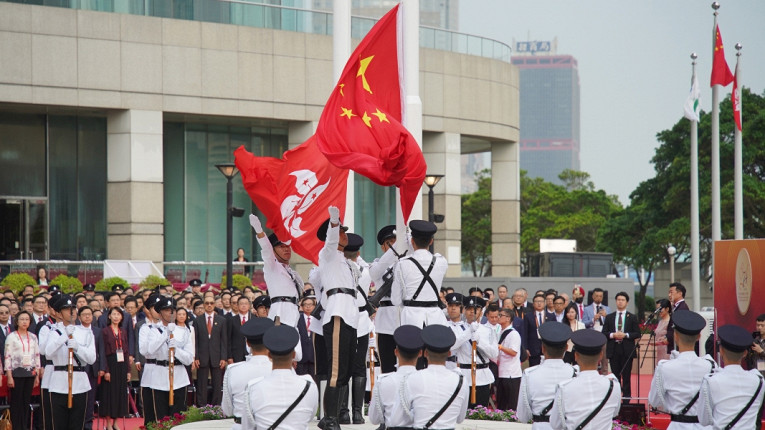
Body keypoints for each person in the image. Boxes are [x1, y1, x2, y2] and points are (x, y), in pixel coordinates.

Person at [315, 206, 359, 430]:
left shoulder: (346, 261)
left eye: (343, 230)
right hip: (337, 315)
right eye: (342, 231)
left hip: (350, 317)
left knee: (346, 371)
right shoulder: (328, 253)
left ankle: (330, 416)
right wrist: (333, 222)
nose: (345, 234)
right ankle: (330, 418)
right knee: (335, 370)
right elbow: (331, 241)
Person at [648, 310, 718, 428]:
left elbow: (654, 401)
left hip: (678, 425)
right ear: (699, 337)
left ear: (675, 336)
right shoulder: (710, 365)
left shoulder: (665, 367)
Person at [242, 325, 319, 430]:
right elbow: (309, 416)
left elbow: (247, 426)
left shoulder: (253, 387)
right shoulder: (309, 385)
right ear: (293, 355)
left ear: (269, 355)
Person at [550, 330, 621, 429]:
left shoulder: (565, 387)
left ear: (576, 356)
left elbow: (555, 424)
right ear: (601, 355)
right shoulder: (614, 386)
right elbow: (614, 413)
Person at [45, 294, 97, 430]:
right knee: (59, 424)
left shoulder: (86, 332)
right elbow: (48, 353)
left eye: (73, 308)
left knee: (77, 424)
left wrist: (77, 347)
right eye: (67, 309)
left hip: (80, 381)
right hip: (59, 382)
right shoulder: (54, 332)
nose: (71, 311)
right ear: (59, 313)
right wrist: (64, 336)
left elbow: (91, 358)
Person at [699, 324, 765, 430]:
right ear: (745, 353)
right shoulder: (758, 380)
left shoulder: (711, 381)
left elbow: (704, 420)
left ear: (721, 351)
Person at [405, 325, 469, 429]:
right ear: (449, 353)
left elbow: (405, 415)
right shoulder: (461, 380)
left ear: (425, 353)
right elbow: (460, 418)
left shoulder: (412, 378)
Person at [517, 322, 576, 429]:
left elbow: (523, 416)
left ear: (543, 348)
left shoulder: (530, 374)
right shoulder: (575, 373)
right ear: (566, 348)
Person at [391, 220, 448, 328]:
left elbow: (395, 300)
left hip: (411, 319)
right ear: (431, 241)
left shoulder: (402, 263)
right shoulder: (441, 261)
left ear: (412, 241)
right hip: (435, 318)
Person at [249, 215, 303, 327]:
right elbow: (266, 249)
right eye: (281, 247)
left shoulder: (290, 271)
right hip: (280, 315)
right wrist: (259, 232)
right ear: (273, 251)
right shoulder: (272, 266)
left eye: (288, 246)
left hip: (294, 314)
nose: (286, 249)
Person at [341, 232, 373, 425]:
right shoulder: (366, 269)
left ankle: (344, 412)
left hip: (345, 317)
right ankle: (358, 413)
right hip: (361, 320)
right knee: (359, 366)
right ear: (359, 251)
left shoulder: (340, 268)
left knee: (344, 365)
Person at [144, 297, 194, 419]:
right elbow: (149, 351)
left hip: (179, 376)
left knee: (178, 416)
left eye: (173, 310)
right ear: (160, 313)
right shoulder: (153, 330)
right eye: (166, 310)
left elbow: (188, 359)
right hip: (159, 376)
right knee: (161, 417)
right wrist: (165, 336)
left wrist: (176, 349)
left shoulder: (184, 331)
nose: (170, 313)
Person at [222, 318, 274, 430]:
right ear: (269, 341)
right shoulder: (277, 369)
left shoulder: (233, 370)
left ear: (248, 343)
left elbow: (227, 410)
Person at [369, 325, 422, 429]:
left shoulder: (383, 382)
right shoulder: (427, 381)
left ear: (396, 352)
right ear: (420, 353)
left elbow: (374, 419)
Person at [367, 224, 402, 375]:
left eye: (396, 242)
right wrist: (397, 249)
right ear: (383, 247)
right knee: (387, 367)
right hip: (386, 320)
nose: (394, 246)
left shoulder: (408, 264)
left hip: (404, 317)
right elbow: (376, 273)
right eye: (390, 243)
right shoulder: (377, 264)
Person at [457, 295, 497, 408]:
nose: (472, 312)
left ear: (481, 311)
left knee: (480, 412)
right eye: (469, 309)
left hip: (482, 375)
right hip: (464, 374)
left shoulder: (488, 330)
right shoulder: (459, 328)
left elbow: (494, 354)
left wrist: (480, 343)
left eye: (476, 309)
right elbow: (453, 346)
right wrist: (468, 333)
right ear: (464, 310)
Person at [5, 310, 41, 430]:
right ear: (17, 321)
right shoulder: (11, 336)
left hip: (30, 372)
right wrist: (9, 375)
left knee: (26, 402)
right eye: (22, 319)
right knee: (16, 402)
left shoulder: (33, 337)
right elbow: (7, 356)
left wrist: (36, 374)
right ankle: (15, 426)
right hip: (16, 373)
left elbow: (37, 356)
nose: (24, 322)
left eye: (27, 319)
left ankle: (25, 426)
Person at [602, 291, 640, 401]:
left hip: (627, 350)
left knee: (626, 375)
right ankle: (615, 397)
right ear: (615, 301)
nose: (620, 302)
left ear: (627, 302)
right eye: (618, 300)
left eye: (623, 300)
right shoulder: (609, 317)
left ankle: (627, 398)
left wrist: (625, 335)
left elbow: (637, 333)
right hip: (614, 349)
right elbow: (604, 333)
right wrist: (613, 335)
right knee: (615, 375)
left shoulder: (632, 317)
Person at [192, 293, 228, 406]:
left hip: (217, 356)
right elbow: (195, 341)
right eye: (206, 303)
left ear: (214, 305)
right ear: (203, 304)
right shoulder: (198, 320)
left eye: (211, 303)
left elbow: (224, 341)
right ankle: (201, 406)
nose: (209, 305)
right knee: (201, 383)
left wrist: (223, 357)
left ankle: (216, 406)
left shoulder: (221, 320)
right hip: (202, 356)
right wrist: (196, 357)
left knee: (217, 383)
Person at [100, 307, 130, 430]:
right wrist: (106, 370)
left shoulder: (123, 331)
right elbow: (102, 352)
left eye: (119, 314)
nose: (116, 317)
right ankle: (107, 423)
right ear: (109, 316)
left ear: (122, 317)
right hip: (110, 363)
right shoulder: (105, 331)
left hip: (122, 363)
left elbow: (127, 351)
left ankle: (116, 422)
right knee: (109, 394)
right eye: (114, 314)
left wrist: (128, 370)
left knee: (120, 393)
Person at [496, 308, 522, 411]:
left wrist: (500, 347)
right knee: (501, 404)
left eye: (500, 315)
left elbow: (513, 352)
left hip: (511, 374)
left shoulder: (513, 334)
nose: (498, 317)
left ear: (508, 318)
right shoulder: (500, 332)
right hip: (501, 372)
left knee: (511, 405)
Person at [524, 294, 554, 366]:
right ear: (533, 304)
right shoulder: (528, 316)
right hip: (533, 349)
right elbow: (525, 333)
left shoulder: (551, 316)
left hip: (547, 348)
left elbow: (553, 333)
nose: (539, 303)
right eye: (537, 301)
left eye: (541, 301)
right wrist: (525, 348)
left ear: (545, 303)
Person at [667, 282, 690, 352]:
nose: (669, 295)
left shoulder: (682, 308)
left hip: (678, 346)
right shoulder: (676, 307)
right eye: (669, 292)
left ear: (680, 293)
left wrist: (668, 338)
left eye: (671, 292)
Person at [295, 296, 315, 378]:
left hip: (314, 358)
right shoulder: (297, 318)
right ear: (302, 307)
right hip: (301, 358)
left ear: (314, 306)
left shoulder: (318, 319)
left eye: (310, 304)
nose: (308, 306)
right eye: (305, 304)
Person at [748, 313, 765, 378]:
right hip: (755, 375)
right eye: (758, 325)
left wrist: (761, 351)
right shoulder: (754, 340)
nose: (759, 327)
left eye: (762, 325)